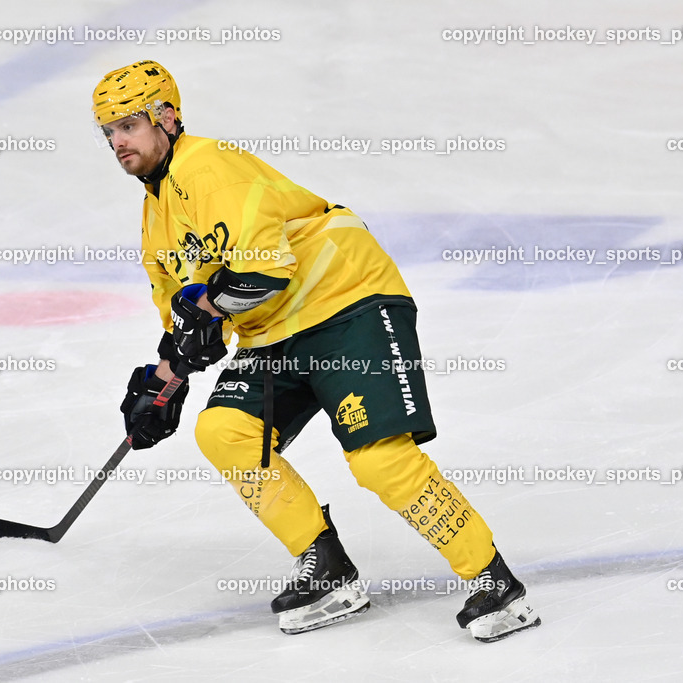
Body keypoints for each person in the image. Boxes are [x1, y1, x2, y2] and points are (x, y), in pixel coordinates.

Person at [93, 60, 541, 642]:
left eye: (127, 124)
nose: (118, 141)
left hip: (347, 303)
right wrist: (162, 383)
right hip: (275, 332)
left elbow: (261, 272)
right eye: (108, 131)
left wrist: (204, 313)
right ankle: (326, 568)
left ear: (167, 116)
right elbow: (190, 319)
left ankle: (493, 581)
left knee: (379, 460)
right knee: (224, 430)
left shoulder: (209, 168)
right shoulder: (156, 219)